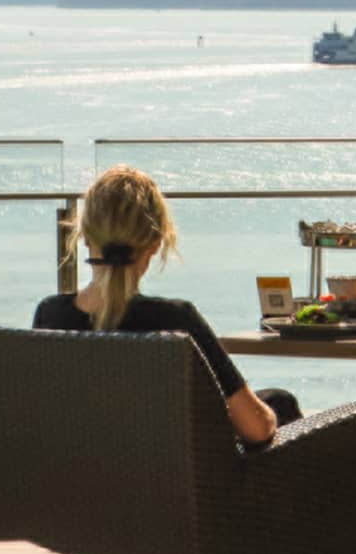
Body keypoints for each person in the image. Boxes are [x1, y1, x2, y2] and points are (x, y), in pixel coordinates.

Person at [31, 163, 300, 448]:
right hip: (175, 485)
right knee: (279, 404)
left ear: (84, 236)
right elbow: (257, 430)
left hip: (77, 481)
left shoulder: (50, 315)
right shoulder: (175, 321)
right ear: (156, 243)